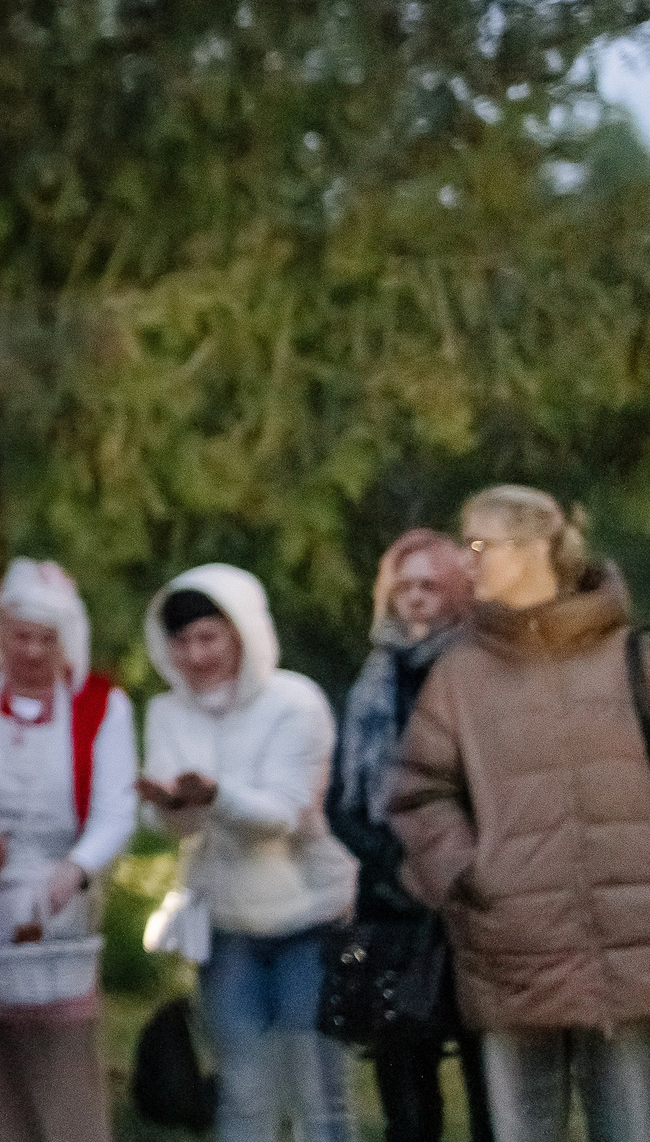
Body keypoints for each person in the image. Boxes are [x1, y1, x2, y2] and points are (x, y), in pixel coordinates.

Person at [391, 486, 650, 1142]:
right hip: (509, 946)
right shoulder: (459, 673)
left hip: (629, 948)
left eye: (479, 546)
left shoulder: (633, 658)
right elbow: (416, 790)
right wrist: (468, 874)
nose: (465, 564)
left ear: (536, 546)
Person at [140, 563, 357, 1142]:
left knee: (319, 1096)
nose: (195, 654)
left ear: (242, 632)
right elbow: (174, 829)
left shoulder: (296, 702)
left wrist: (214, 795)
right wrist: (168, 805)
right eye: (181, 641)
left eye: (208, 636)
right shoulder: (167, 711)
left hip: (307, 922)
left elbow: (285, 814)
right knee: (242, 1092)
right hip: (226, 923)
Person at [0, 557, 135, 1142]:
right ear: (0, 633)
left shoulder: (102, 705)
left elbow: (116, 810)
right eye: (21, 636)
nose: (33, 651)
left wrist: (78, 868)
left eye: (48, 639)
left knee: (64, 1078)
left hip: (57, 908)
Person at [327, 528, 490, 1142]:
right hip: (390, 898)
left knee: (486, 1073)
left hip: (464, 891)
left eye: (431, 585)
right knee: (403, 1078)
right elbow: (343, 802)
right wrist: (392, 867)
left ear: (457, 592)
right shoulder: (373, 674)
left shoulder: (477, 669)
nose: (416, 599)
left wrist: (444, 865)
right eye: (405, 586)